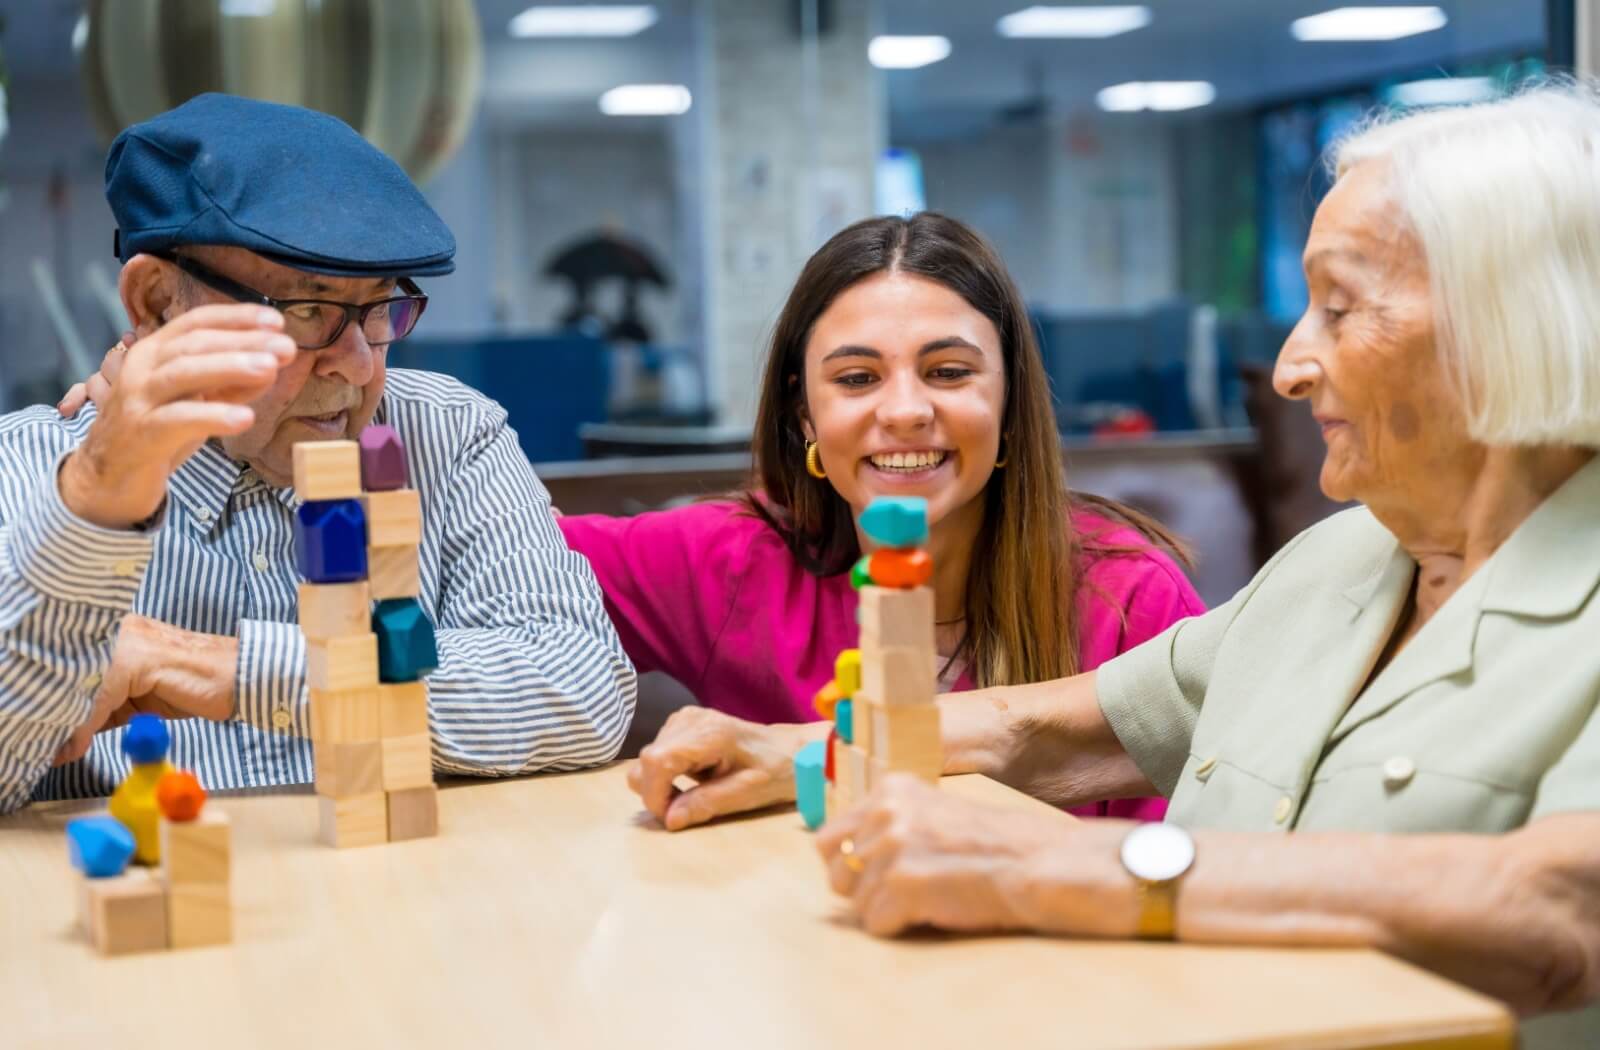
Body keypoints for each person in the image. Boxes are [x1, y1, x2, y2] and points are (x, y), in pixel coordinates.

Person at [633, 83, 1600, 1043]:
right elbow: (1053, 729)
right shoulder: (1346, 558)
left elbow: (1558, 907)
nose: (1295, 365)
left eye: (1341, 310)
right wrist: (797, 751)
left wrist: (1072, 869)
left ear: (1507, 326)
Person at [11, 93, 635, 814]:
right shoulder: (36, 470)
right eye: (307, 311)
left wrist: (241, 670)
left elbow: (583, 686)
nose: (360, 366)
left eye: (379, 310)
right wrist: (97, 502)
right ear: (156, 303)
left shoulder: (445, 435)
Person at [563, 213, 1202, 830]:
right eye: (857, 377)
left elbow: (1197, 843)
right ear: (804, 415)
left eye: (948, 372)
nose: (903, 411)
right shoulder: (728, 560)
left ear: (1008, 404)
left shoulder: (1131, 601)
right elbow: (508, 558)